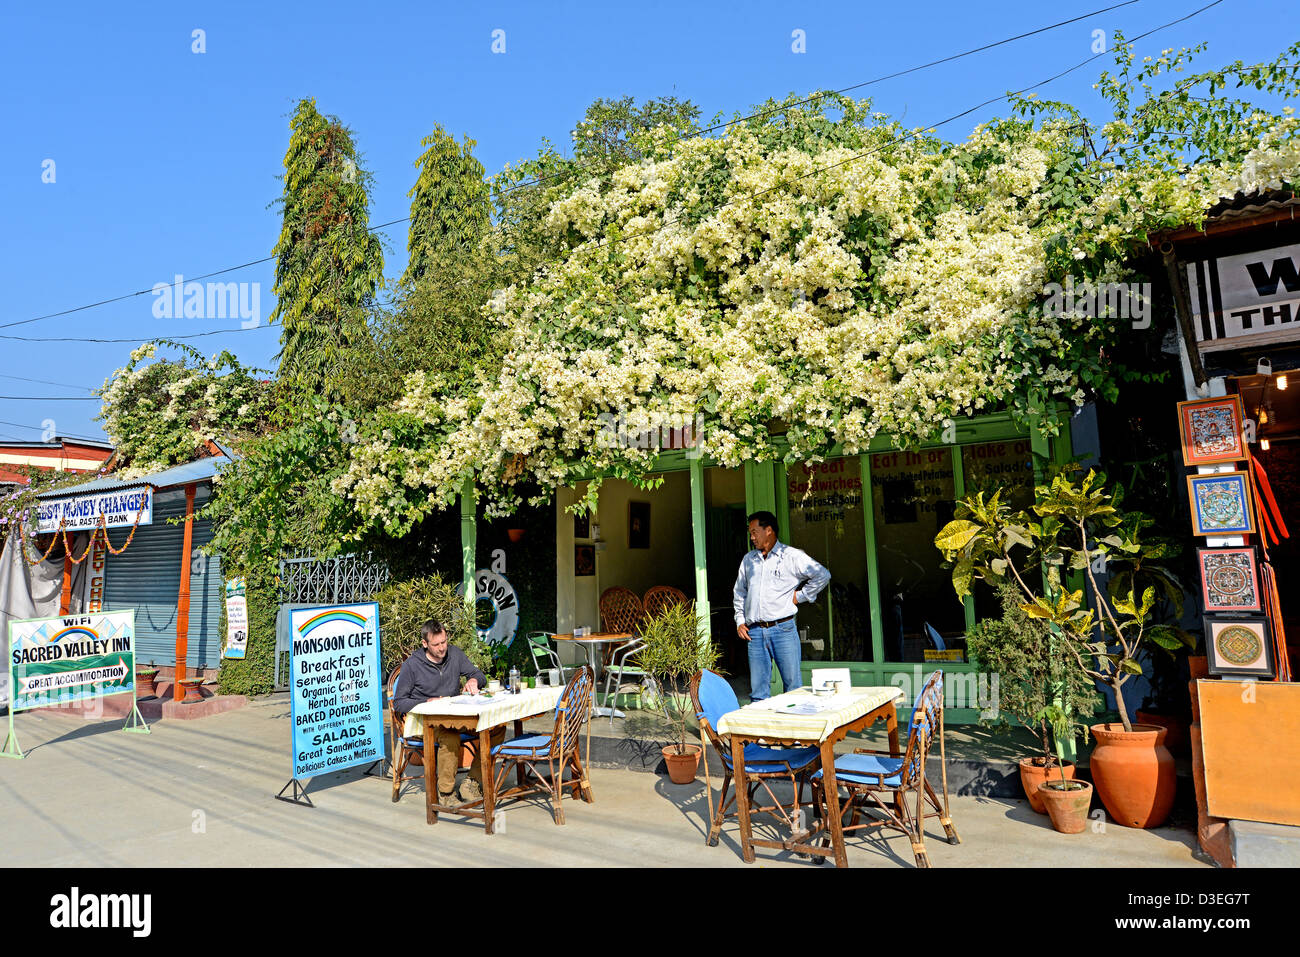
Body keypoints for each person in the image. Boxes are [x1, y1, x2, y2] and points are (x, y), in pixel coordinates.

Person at [391, 619, 505, 805]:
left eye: (444, 642)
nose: (442, 648)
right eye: (436, 645)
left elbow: (479, 675)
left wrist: (474, 681)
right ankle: (445, 793)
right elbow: (399, 703)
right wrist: (426, 701)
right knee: (449, 735)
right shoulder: (412, 665)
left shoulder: (455, 655)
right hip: (427, 723)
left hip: (457, 716)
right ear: (425, 644)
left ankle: (472, 782)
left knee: (497, 727)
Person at [733, 511, 831, 701]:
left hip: (783, 630)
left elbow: (822, 575)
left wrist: (800, 596)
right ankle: (760, 730)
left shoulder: (791, 556)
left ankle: (794, 730)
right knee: (758, 694)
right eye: (750, 533)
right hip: (754, 633)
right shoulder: (748, 560)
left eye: (755, 532)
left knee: (793, 689)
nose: (752, 537)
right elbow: (739, 592)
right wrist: (740, 620)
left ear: (768, 530)